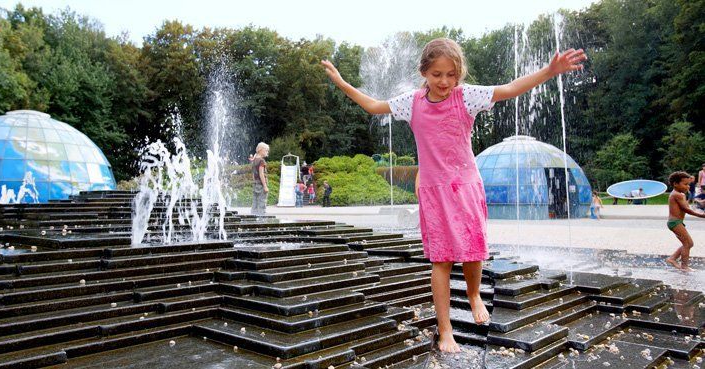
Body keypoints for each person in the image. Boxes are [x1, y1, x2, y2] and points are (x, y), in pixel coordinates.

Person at [322, 38, 586, 353]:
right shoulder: (412, 102)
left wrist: (549, 71)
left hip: (466, 185)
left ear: (458, 74)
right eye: (436, 74)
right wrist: (340, 82)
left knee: (474, 252)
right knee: (442, 260)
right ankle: (445, 329)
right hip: (434, 192)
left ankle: (474, 295)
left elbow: (510, 88)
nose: (444, 81)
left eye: (450, 74)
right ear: (424, 72)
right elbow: (373, 105)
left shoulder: (467, 97)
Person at [665, 171, 705, 272]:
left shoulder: (679, 194)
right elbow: (686, 209)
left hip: (675, 222)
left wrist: (700, 204)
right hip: (675, 223)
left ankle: (672, 258)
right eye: (685, 184)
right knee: (688, 243)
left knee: (688, 243)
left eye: (689, 184)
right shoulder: (678, 195)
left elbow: (687, 207)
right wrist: (700, 215)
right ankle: (684, 266)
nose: (688, 187)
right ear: (675, 184)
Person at [250, 142, 270, 215]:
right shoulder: (261, 161)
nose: (267, 152)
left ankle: (253, 217)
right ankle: (262, 218)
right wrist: (265, 186)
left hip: (255, 184)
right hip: (261, 185)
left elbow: (253, 173)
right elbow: (261, 174)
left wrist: (254, 181)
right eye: (266, 150)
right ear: (261, 150)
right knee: (262, 201)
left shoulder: (254, 160)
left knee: (255, 202)